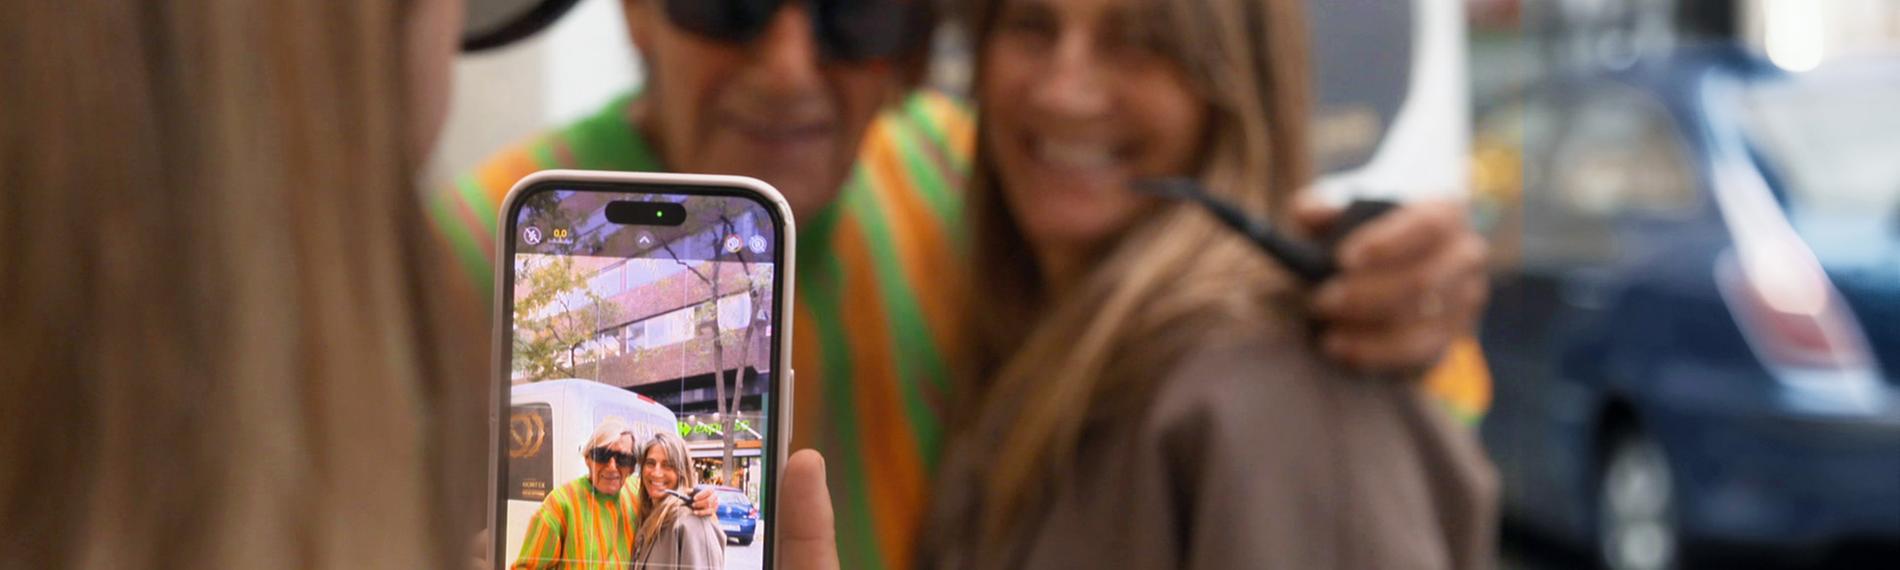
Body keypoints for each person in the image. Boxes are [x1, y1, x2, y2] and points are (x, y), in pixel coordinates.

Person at [432, 1, 1493, 566]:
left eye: (855, 13)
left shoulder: (950, 175)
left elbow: (1358, 442)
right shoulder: (468, 259)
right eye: (731, 2)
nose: (790, 64)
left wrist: (1388, 310)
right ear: (634, 12)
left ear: (909, 47)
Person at [915, 0, 1496, 566]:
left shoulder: (1279, 400)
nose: (1062, 92)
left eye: (1138, 40)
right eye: (1031, 27)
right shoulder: (1024, 339)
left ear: (1238, 80)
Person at [512, 420, 642, 569]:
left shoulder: (637, 494)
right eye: (602, 455)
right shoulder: (560, 504)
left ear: (632, 468)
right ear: (587, 459)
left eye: (623, 459)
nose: (612, 467)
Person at [631, 432, 727, 570]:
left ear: (682, 472)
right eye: (650, 463)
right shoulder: (647, 515)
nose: (656, 473)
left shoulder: (691, 521)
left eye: (667, 465)